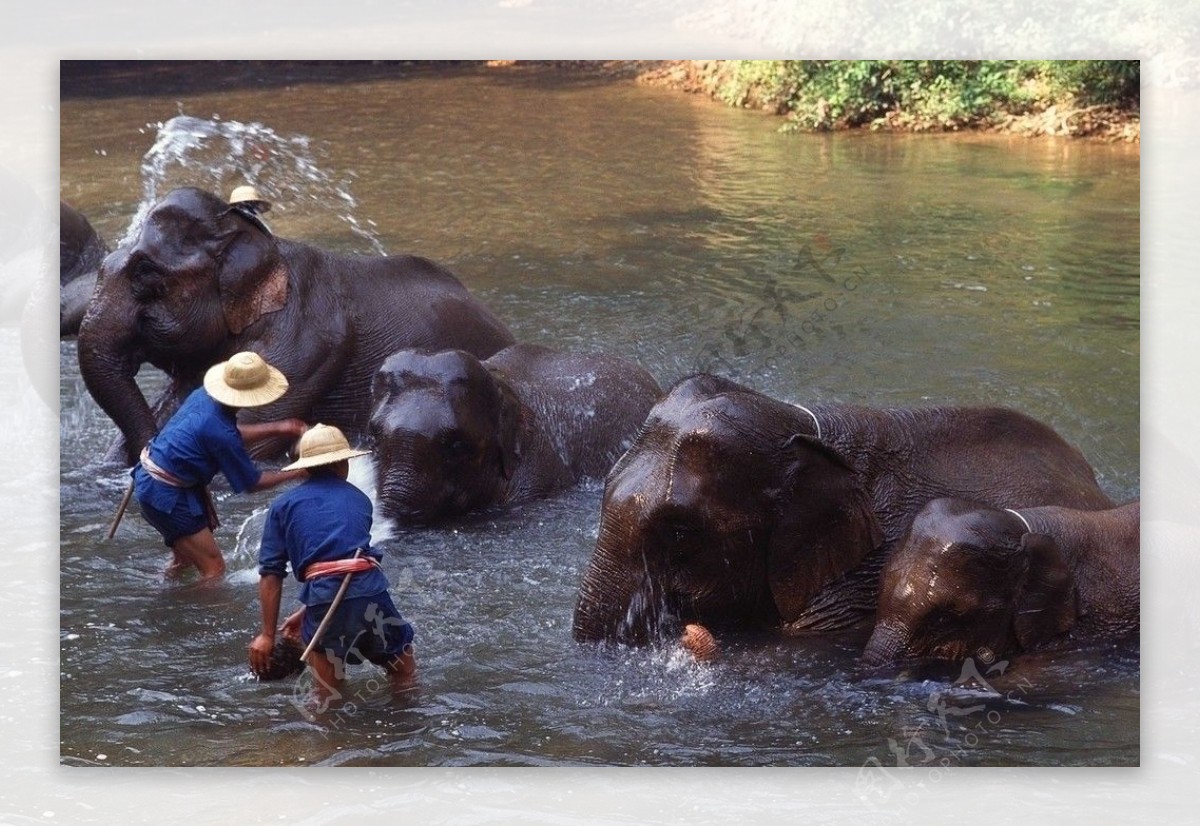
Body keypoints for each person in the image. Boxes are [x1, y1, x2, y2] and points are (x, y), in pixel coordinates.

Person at [248, 424, 416, 706]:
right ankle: (408, 723)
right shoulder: (360, 499)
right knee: (404, 672)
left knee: (326, 693)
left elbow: (271, 573)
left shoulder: (282, 505)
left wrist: (267, 635)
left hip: (325, 598)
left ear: (307, 467)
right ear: (342, 463)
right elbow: (348, 560)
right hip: (370, 592)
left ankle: (326, 742)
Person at [132, 351, 309, 580]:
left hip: (150, 481)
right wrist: (297, 472)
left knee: (184, 559)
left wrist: (279, 427)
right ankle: (201, 613)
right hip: (166, 495)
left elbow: (226, 435)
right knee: (214, 568)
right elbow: (252, 482)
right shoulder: (220, 431)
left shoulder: (204, 396)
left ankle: (166, 596)